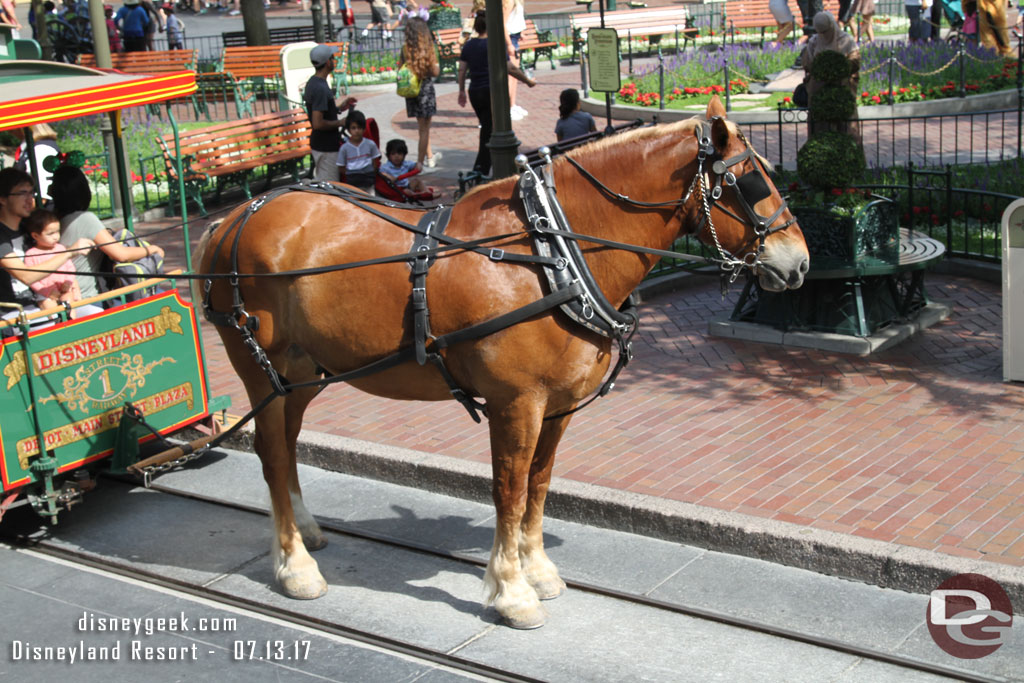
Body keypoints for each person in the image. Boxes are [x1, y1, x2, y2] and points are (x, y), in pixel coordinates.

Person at [49, 165, 164, 302]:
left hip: (67, 295)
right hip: (88, 296)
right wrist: (152, 249)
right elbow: (121, 254)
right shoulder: (84, 219)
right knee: (157, 294)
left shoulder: (54, 220)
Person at [0, 169, 93, 320]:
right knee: (56, 327)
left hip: (45, 299)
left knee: (94, 314)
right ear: (3, 199)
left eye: (32, 193)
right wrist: (69, 252)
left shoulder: (29, 227)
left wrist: (66, 286)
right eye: (22, 193)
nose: (30, 199)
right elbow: (26, 276)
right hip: (15, 310)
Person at [457, 11, 536, 176]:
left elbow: (462, 70)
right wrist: (527, 81)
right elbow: (510, 67)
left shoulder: (469, 45)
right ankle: (483, 169)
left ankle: (487, 166)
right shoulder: (494, 44)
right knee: (491, 131)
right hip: (492, 92)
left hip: (475, 92)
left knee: (487, 128)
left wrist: (461, 91)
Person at [302, 44, 358, 182]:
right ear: (328, 62)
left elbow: (321, 111)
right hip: (326, 146)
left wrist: (339, 107)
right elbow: (318, 123)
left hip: (323, 144)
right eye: (333, 58)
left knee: (325, 182)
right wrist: (340, 122)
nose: (335, 61)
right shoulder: (320, 88)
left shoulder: (314, 82)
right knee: (330, 187)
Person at [801, 12, 860, 135]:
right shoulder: (813, 43)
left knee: (845, 127)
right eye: (822, 33)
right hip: (819, 92)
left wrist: (838, 69)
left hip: (842, 90)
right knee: (820, 128)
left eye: (827, 31)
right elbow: (807, 65)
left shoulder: (845, 41)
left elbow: (854, 63)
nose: (825, 36)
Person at [22, 208, 82, 316]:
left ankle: (72, 322)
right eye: (50, 234)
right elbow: (33, 280)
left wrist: (68, 282)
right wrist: (47, 292)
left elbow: (70, 268)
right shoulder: (31, 254)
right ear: (35, 236)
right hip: (45, 293)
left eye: (57, 232)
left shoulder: (60, 248)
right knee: (49, 307)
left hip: (64, 288)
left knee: (69, 302)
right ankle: (57, 326)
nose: (56, 237)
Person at [398, 17, 440, 168]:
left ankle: (429, 156)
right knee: (425, 128)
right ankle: (421, 163)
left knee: (422, 127)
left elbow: (399, 69)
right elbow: (435, 71)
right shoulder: (427, 48)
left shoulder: (405, 49)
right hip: (425, 89)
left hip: (411, 90)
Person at [336, 110, 380, 193]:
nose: (356, 131)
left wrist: (369, 172)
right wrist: (351, 174)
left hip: (368, 183)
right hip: (353, 185)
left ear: (364, 129)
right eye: (353, 128)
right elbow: (341, 167)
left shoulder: (370, 144)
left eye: (359, 128)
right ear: (349, 130)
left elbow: (375, 161)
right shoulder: (344, 148)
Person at [12, 124, 59, 202]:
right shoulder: (31, 146)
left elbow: (42, 194)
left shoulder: (42, 148)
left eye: (13, 129)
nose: (12, 133)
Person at [503, 0, 527, 120]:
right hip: (510, 37)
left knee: (515, 74)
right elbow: (503, 23)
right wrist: (508, 44)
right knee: (510, 75)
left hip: (515, 35)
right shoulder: (509, 1)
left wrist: (521, 31)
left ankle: (512, 104)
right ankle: (506, 108)